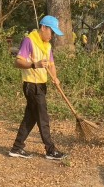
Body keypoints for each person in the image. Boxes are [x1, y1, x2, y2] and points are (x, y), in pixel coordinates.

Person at [8, 15, 67, 160]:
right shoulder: (29, 41)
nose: (52, 36)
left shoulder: (47, 45)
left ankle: (16, 147)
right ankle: (50, 150)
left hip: (41, 85)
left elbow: (51, 64)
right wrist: (35, 64)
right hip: (31, 85)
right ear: (43, 28)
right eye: (51, 32)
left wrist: (55, 77)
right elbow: (18, 62)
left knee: (31, 117)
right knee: (43, 118)